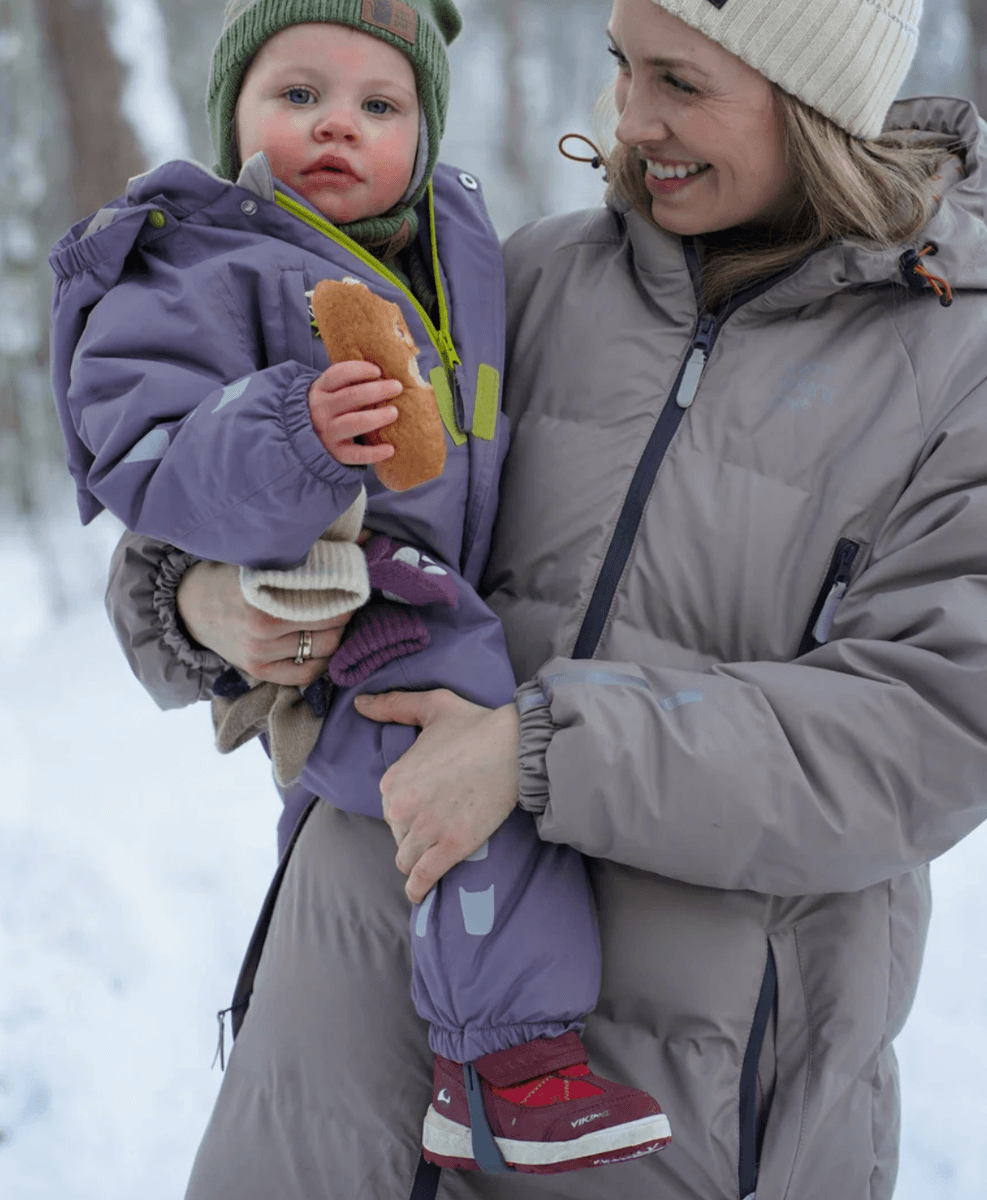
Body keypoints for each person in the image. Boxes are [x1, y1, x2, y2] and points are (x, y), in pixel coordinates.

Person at [101, 0, 987, 1197]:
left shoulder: (956, 368)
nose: (632, 117)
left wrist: (534, 749)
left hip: (677, 1101)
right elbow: (222, 476)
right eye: (624, 65)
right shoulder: (523, 280)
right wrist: (204, 603)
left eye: (680, 79)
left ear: (817, 97)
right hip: (338, 1050)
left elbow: (928, 727)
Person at [48, 0, 674, 1179]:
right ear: (232, 113)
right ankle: (507, 1060)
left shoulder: (454, 254)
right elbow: (143, 451)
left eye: (379, 106)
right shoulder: (194, 257)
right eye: (298, 96)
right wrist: (294, 432)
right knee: (475, 750)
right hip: (342, 602)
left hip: (431, 594)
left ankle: (481, 1050)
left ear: (424, 137)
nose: (339, 127)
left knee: (456, 777)